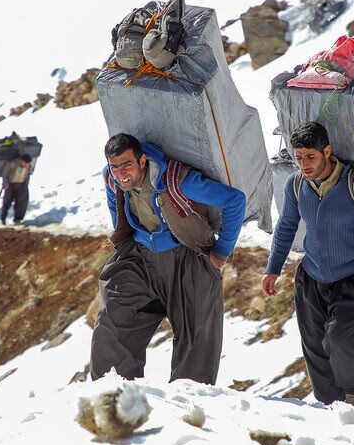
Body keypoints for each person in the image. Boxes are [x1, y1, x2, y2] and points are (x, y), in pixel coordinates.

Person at [91, 133, 246, 385]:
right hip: (140, 257)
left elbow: (234, 200)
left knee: (196, 337)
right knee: (114, 314)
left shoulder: (176, 180)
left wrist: (222, 252)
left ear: (142, 161)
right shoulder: (113, 179)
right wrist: (121, 232)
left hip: (186, 257)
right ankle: (112, 393)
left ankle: (187, 405)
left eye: (127, 164)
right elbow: (114, 202)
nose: (120, 173)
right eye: (115, 166)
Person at [262, 122, 354, 404]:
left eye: (310, 157)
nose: (303, 164)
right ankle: (327, 407)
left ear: (327, 151)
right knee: (314, 348)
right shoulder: (296, 184)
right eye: (298, 158)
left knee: (342, 341)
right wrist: (273, 268)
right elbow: (286, 226)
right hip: (311, 278)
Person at [0, 155, 33, 225]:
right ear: (21, 161)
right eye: (25, 163)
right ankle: (3, 219)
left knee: (21, 203)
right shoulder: (12, 163)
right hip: (10, 184)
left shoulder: (28, 166)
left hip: (21, 184)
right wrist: (5, 184)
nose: (26, 164)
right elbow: (5, 174)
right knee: (6, 202)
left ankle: (17, 220)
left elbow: (29, 174)